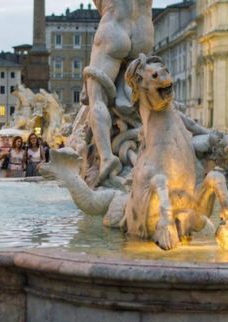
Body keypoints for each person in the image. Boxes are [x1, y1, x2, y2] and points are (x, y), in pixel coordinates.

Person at [84, 0, 153, 184]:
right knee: (141, 99)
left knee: (96, 97)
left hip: (114, 27)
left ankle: (107, 157)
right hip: (144, 31)